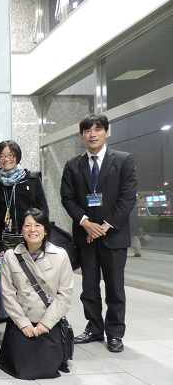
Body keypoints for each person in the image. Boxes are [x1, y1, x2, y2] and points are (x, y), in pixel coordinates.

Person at [61, 114, 137, 353]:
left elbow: (127, 198)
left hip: (113, 236)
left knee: (115, 287)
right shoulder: (73, 165)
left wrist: (105, 225)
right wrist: (86, 223)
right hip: (86, 236)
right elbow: (68, 198)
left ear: (106, 132)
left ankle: (115, 332)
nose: (92, 134)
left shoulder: (123, 160)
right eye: (87, 131)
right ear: (82, 136)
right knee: (89, 288)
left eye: (97, 129)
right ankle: (94, 328)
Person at [0, 208, 73, 379]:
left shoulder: (60, 255)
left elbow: (64, 295)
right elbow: (8, 294)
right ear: (21, 230)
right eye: (27, 225)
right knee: (21, 368)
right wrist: (23, 324)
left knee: (47, 368)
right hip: (22, 320)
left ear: (45, 230)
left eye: (38, 225)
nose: (32, 230)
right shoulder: (11, 256)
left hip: (48, 320)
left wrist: (45, 324)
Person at [0, 140, 49, 257]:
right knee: (12, 268)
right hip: (8, 239)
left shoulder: (32, 179)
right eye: (2, 156)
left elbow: (43, 210)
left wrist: (44, 236)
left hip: (31, 235)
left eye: (10, 155)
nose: (6, 159)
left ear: (17, 156)